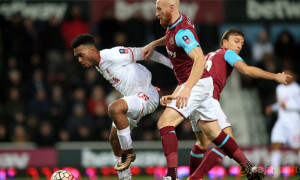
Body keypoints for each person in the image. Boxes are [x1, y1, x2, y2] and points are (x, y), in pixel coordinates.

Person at [142, 1, 274, 179]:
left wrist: (187, 89)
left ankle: (172, 176)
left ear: (171, 8)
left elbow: (199, 59)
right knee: (213, 135)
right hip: (201, 85)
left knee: (164, 123)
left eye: (159, 9)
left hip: (196, 84)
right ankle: (249, 170)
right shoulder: (176, 24)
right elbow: (172, 38)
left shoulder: (183, 32)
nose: (156, 13)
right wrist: (154, 44)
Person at [181, 28, 292, 180]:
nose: (239, 45)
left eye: (242, 43)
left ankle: (193, 176)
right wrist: (275, 76)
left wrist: (177, 94)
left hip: (193, 99)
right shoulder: (227, 53)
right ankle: (199, 177)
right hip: (207, 99)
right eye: (236, 41)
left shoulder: (206, 57)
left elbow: (188, 76)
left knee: (202, 143)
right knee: (228, 142)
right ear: (224, 43)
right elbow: (246, 70)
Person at [71, 34, 172, 180]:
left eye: (81, 55)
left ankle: (128, 152)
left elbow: (147, 51)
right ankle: (125, 178)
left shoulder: (113, 55)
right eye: (77, 57)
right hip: (134, 98)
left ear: (92, 50)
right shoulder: (99, 65)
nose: (80, 60)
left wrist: (173, 67)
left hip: (147, 96)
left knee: (114, 108)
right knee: (114, 139)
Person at [265, 69, 300, 178]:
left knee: (296, 148)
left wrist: (288, 106)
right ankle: (275, 173)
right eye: (283, 74)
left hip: (293, 122)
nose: (284, 76)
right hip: (281, 122)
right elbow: (280, 104)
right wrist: (273, 107)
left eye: (287, 75)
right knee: (275, 144)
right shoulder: (279, 88)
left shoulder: (297, 89)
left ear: (292, 77)